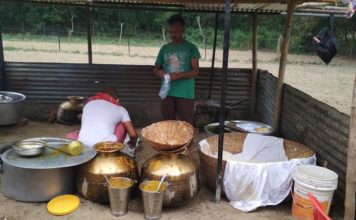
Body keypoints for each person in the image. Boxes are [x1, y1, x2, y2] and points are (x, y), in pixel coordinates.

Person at [153, 14, 201, 125]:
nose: (173, 35)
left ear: (183, 30)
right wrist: (159, 72)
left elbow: (196, 71)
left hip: (185, 94)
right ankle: (168, 143)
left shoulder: (191, 48)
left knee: (186, 126)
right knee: (167, 124)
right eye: (171, 32)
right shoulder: (164, 48)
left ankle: (186, 143)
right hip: (167, 93)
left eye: (176, 32)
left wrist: (178, 76)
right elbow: (156, 69)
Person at [67, 87, 138, 148]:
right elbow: (133, 134)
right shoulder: (121, 109)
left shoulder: (88, 104)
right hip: (106, 146)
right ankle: (118, 148)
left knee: (71, 135)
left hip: (84, 145)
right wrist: (133, 143)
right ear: (117, 100)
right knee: (122, 123)